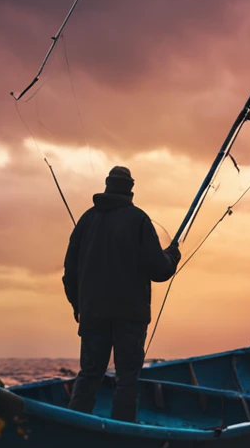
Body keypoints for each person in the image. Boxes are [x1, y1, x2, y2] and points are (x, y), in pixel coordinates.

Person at [63, 165, 180, 422]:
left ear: (106, 184)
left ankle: (73, 427)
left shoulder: (86, 220)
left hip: (92, 313)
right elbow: (159, 269)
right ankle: (122, 430)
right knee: (127, 378)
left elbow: (69, 271)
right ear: (131, 189)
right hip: (130, 316)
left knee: (89, 374)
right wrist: (172, 256)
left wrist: (77, 304)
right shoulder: (138, 220)